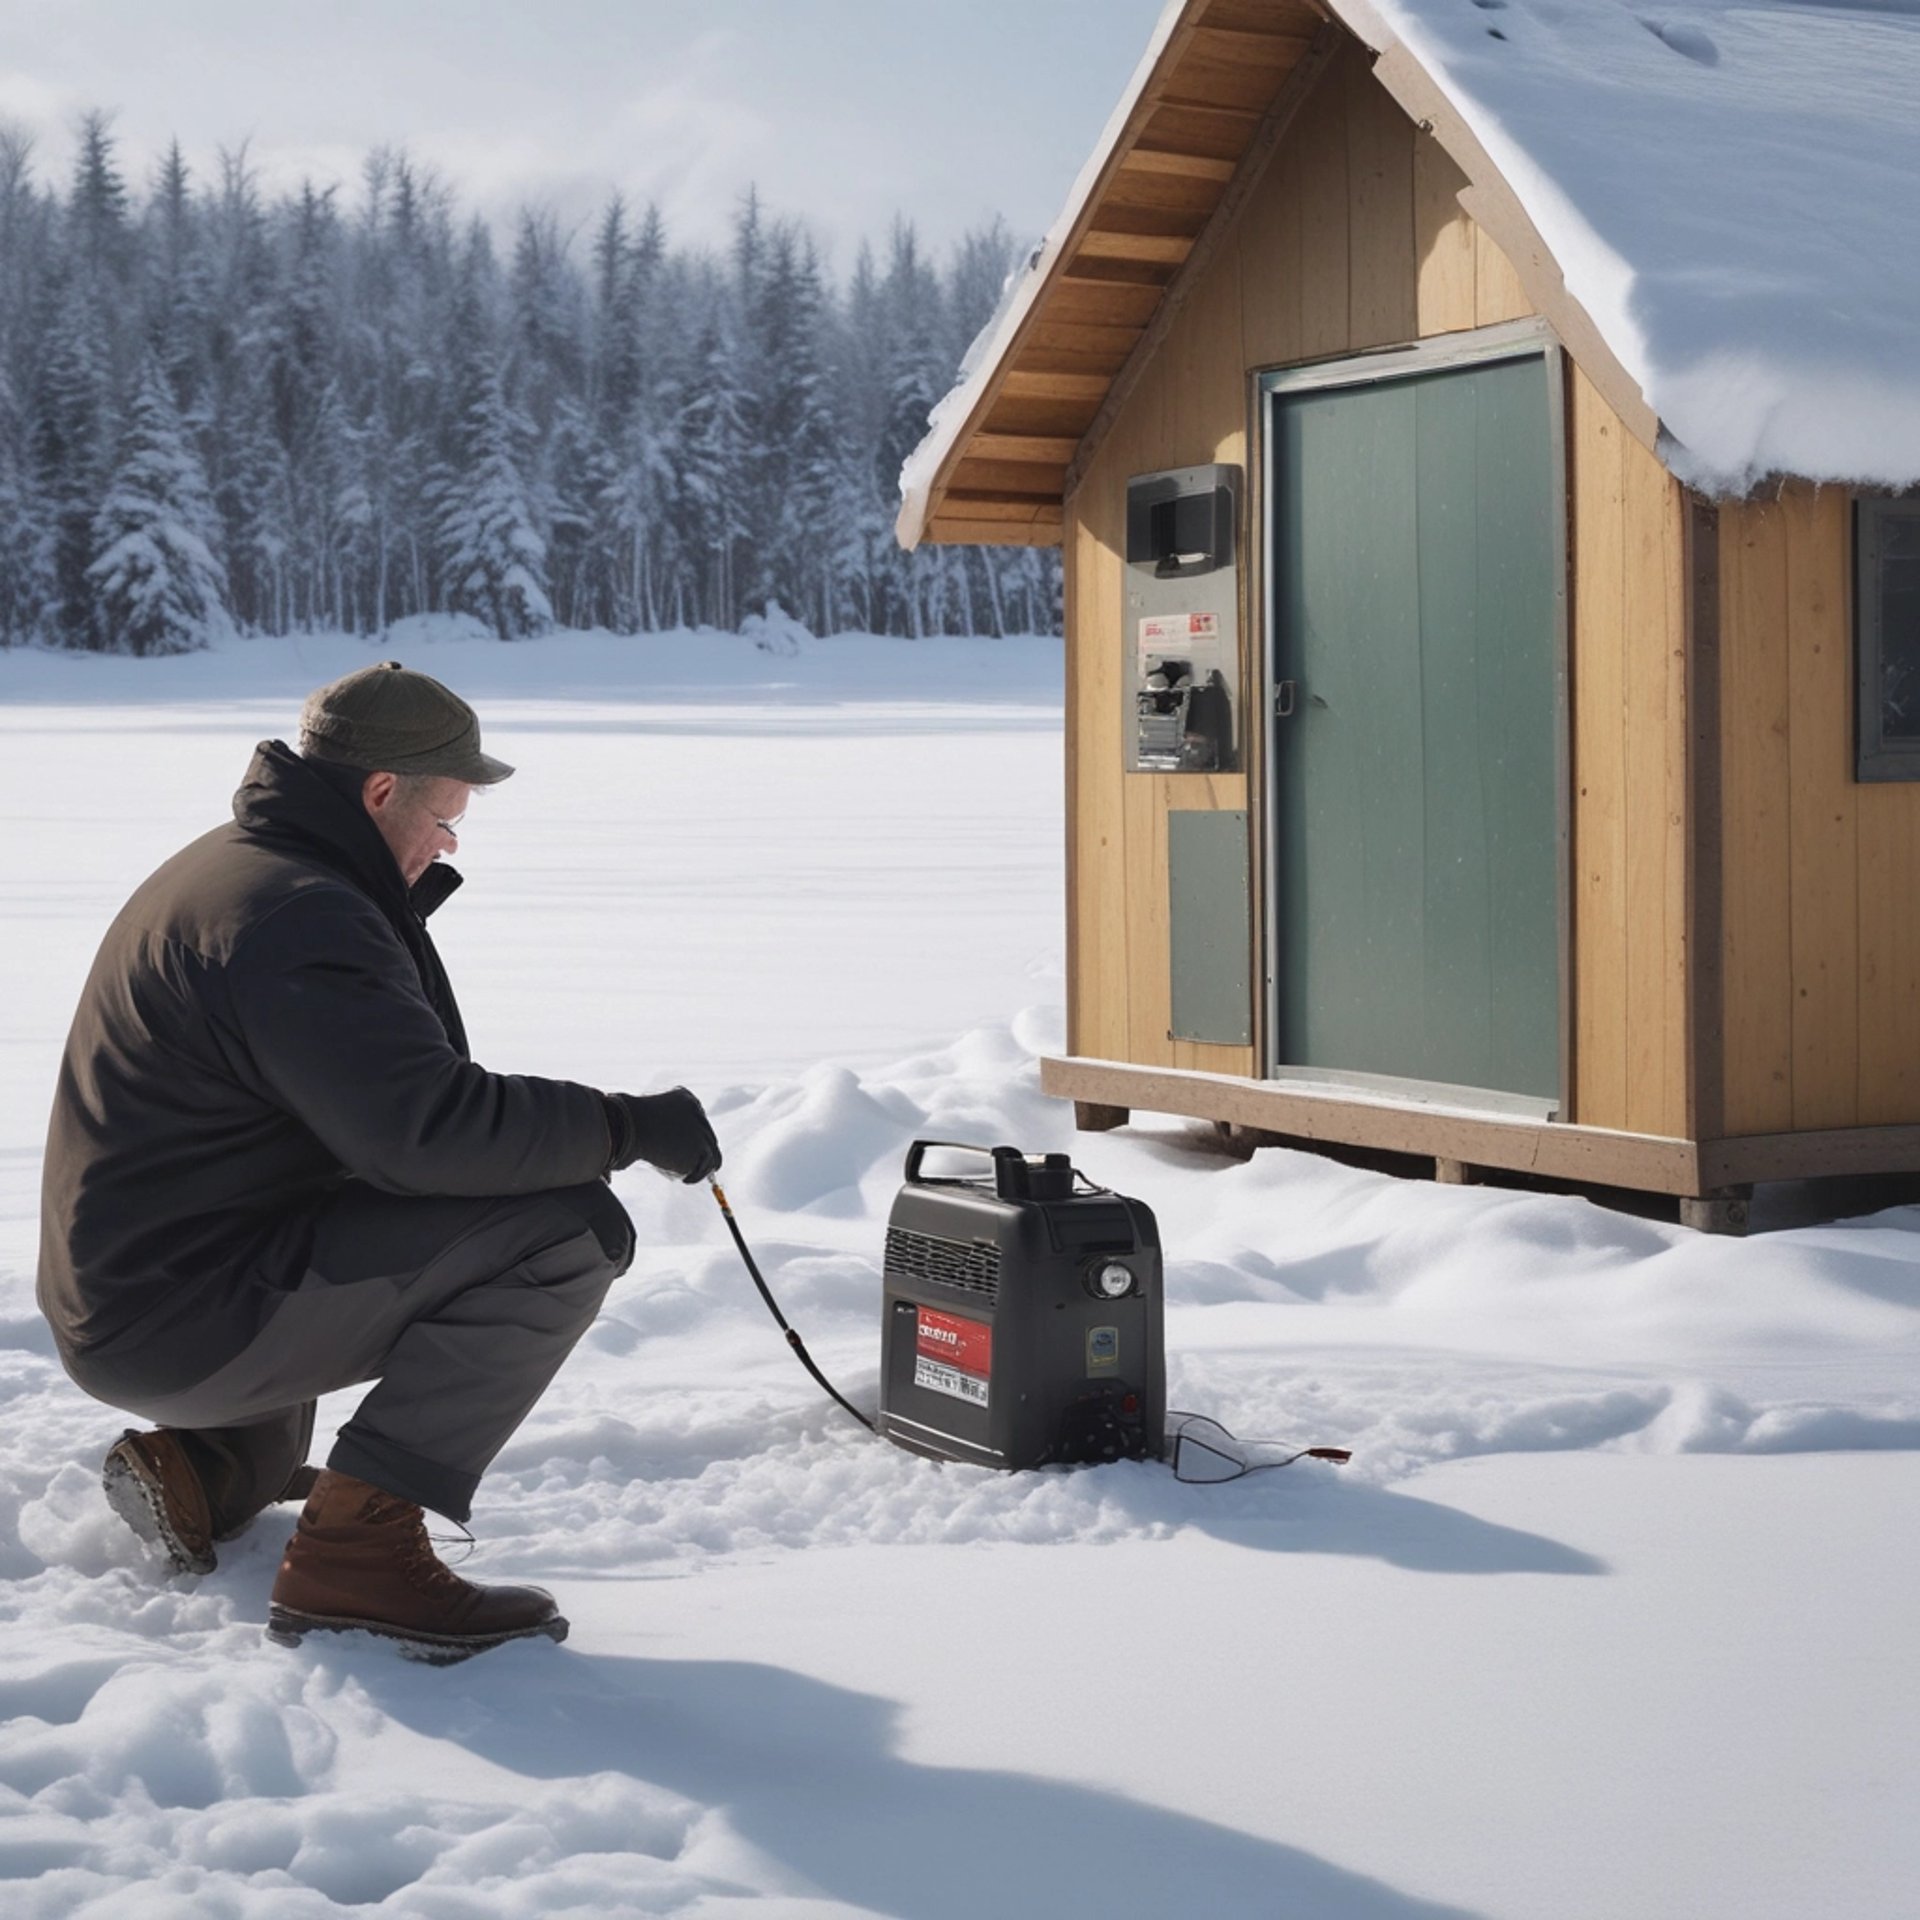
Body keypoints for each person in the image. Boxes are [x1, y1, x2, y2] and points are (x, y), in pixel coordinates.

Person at [37, 660, 720, 1662]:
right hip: (175, 1311)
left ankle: (213, 1465)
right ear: (379, 792)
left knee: (285, 1442)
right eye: (444, 820)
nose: (447, 846)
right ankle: (355, 1564)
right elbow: (426, 1130)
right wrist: (622, 1127)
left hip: (151, 1281)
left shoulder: (247, 865)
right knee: (569, 1229)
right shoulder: (296, 915)